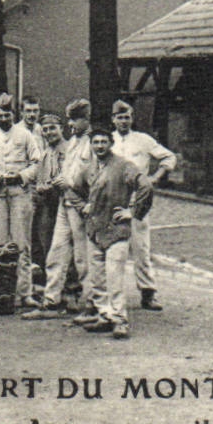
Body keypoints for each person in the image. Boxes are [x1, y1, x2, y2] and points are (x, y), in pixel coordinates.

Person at [70, 121, 152, 340]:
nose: (99, 146)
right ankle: (105, 316)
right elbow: (73, 191)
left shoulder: (124, 165)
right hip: (95, 230)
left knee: (114, 277)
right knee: (98, 278)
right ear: (91, 145)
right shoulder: (88, 169)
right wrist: (83, 206)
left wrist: (132, 211)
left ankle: (120, 320)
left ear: (111, 143)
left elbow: (145, 185)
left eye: (103, 142)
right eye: (95, 142)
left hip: (116, 229)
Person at [25, 99, 93, 318]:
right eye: (70, 119)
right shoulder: (74, 142)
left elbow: (94, 177)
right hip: (65, 203)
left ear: (85, 119)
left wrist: (70, 184)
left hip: (79, 203)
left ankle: (92, 303)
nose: (71, 124)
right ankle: (51, 300)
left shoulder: (93, 144)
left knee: (82, 257)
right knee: (56, 251)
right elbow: (66, 171)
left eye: (75, 119)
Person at [110, 100, 176, 312]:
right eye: (119, 117)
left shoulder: (142, 140)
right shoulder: (106, 141)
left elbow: (168, 156)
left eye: (127, 117)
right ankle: (110, 295)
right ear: (113, 119)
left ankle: (148, 293)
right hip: (113, 200)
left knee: (141, 248)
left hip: (137, 199)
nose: (123, 121)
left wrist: (155, 177)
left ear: (132, 118)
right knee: (113, 249)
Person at [0, 92, 42, 306]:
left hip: (19, 194)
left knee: (21, 243)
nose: (4, 119)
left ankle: (24, 293)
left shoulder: (25, 136)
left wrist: (22, 176)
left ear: (13, 114)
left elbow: (36, 163)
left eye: (7, 115)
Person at [29, 112, 66, 288]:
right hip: (47, 205)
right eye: (45, 129)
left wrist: (50, 186)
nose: (49, 132)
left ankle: (68, 288)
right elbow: (40, 180)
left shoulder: (68, 150)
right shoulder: (45, 153)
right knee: (46, 245)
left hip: (64, 203)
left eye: (53, 128)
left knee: (63, 248)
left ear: (62, 129)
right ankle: (50, 286)